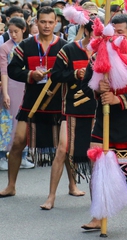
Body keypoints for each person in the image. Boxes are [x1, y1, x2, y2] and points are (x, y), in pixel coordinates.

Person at [80, 14, 127, 230]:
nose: (114, 37)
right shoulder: (97, 58)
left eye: (120, 33)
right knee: (98, 168)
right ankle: (98, 216)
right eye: (112, 33)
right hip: (103, 124)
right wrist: (97, 87)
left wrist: (117, 99)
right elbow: (85, 86)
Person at [0, 7, 67, 198]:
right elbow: (12, 70)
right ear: (36, 22)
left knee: (65, 145)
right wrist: (30, 75)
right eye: (43, 21)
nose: (46, 25)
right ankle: (11, 185)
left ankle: (73, 185)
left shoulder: (64, 46)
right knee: (18, 142)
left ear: (56, 23)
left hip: (57, 102)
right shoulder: (26, 45)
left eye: (50, 22)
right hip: (31, 101)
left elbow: (70, 73)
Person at [40, 20, 96, 210]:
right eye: (94, 33)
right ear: (86, 31)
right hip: (71, 106)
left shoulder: (105, 50)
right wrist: (75, 74)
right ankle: (51, 196)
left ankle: (97, 201)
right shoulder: (69, 49)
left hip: (96, 108)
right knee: (62, 149)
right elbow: (55, 75)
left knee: (97, 155)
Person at [0, 17, 30, 171]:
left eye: (16, 31)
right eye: (11, 32)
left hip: (26, 86)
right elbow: (3, 72)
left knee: (24, 122)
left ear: (23, 29)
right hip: (10, 86)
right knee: (6, 121)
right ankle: (1, 156)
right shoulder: (4, 47)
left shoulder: (28, 46)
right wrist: (5, 93)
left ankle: (23, 155)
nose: (13, 35)